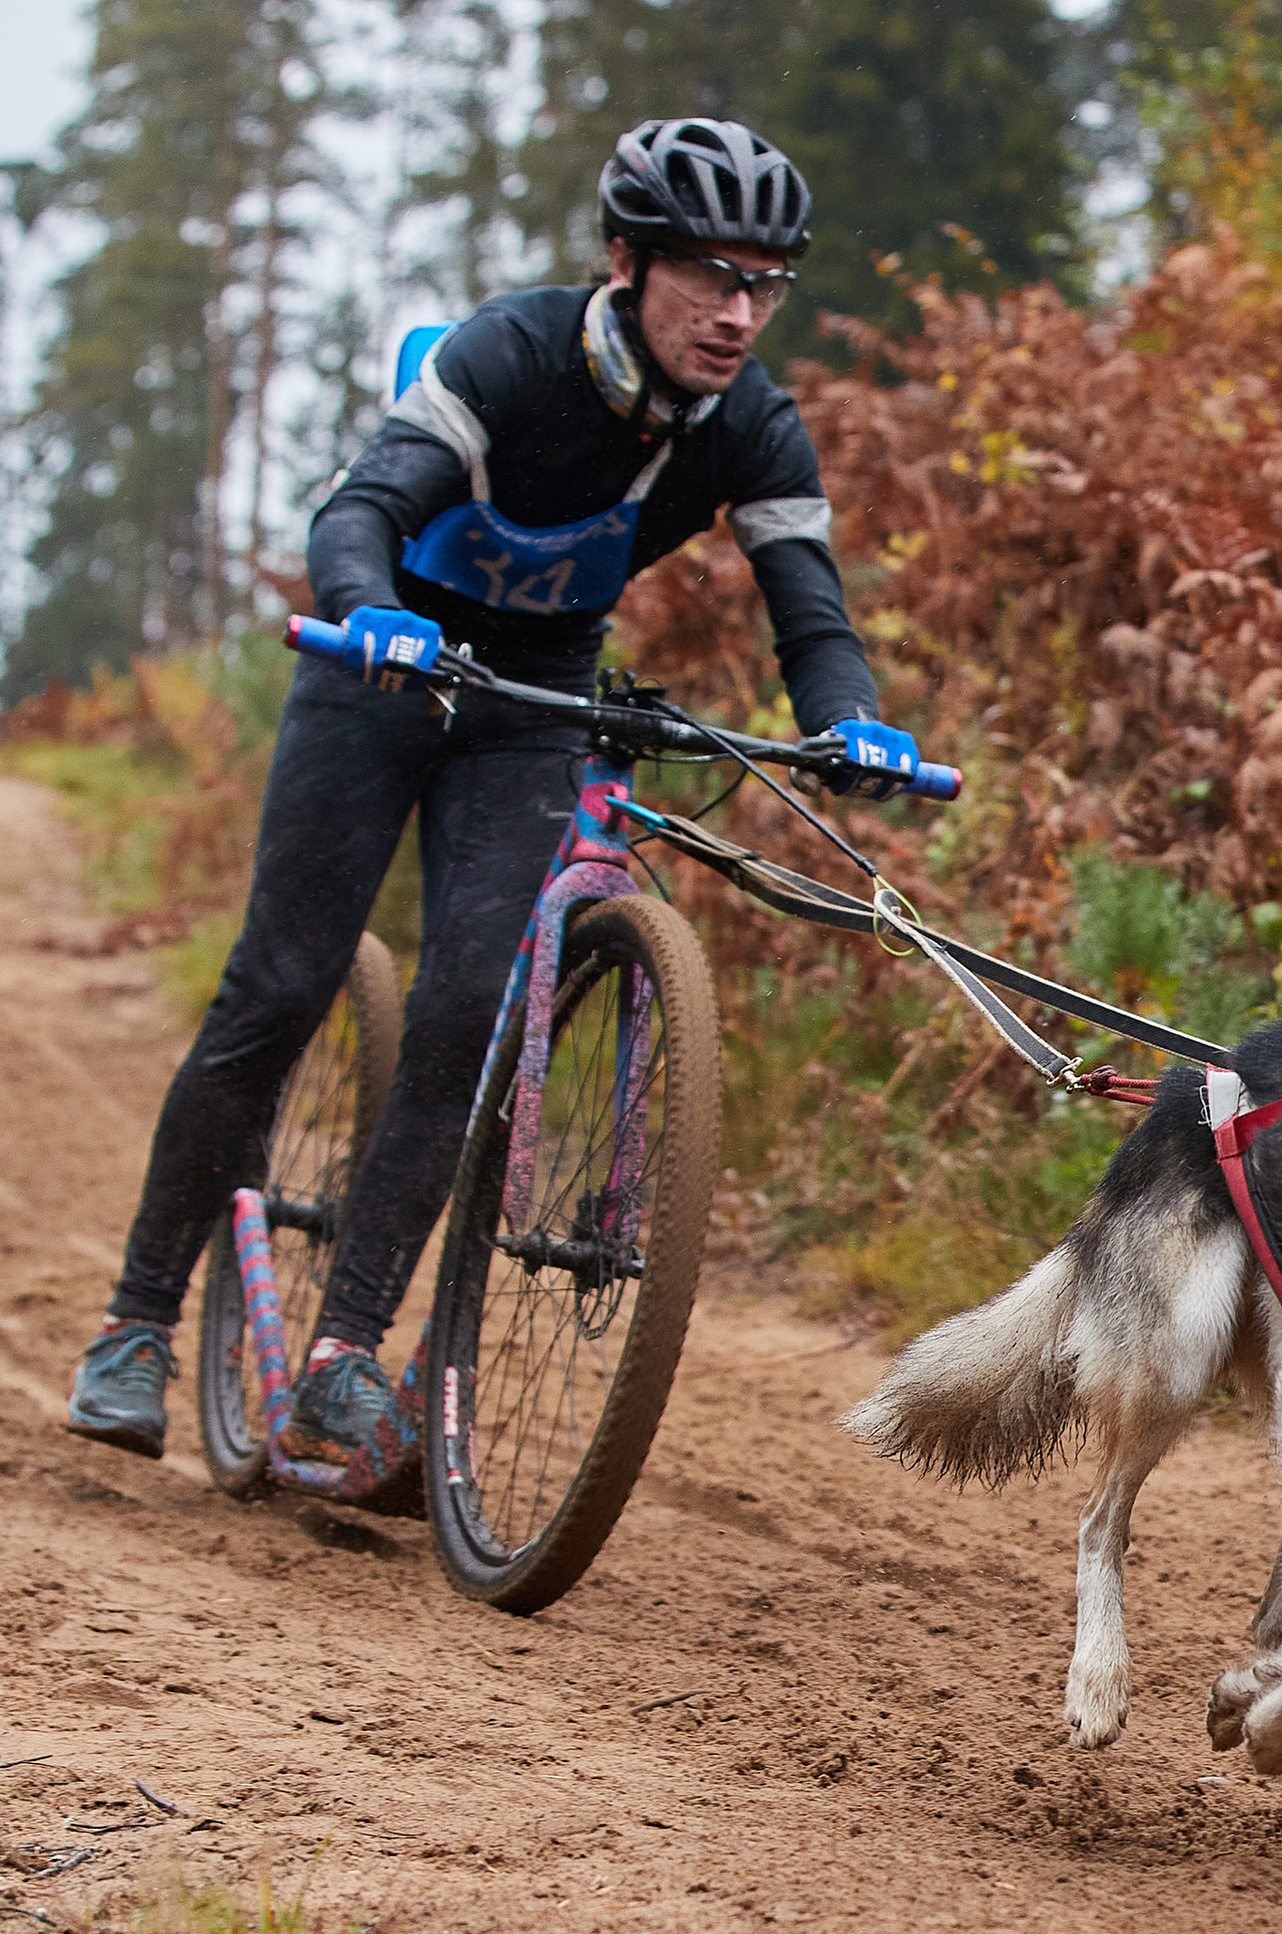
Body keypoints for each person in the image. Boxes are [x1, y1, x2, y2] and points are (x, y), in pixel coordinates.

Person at [65, 118, 914, 1473]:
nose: (739, 312)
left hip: (532, 694)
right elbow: (363, 508)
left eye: (766, 283)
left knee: (467, 1005)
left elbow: (809, 614)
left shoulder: (752, 422)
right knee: (281, 985)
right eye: (708, 274)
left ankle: (344, 1357)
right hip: (381, 666)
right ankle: (134, 1324)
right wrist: (369, 613)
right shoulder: (511, 352)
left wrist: (850, 723)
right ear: (626, 261)